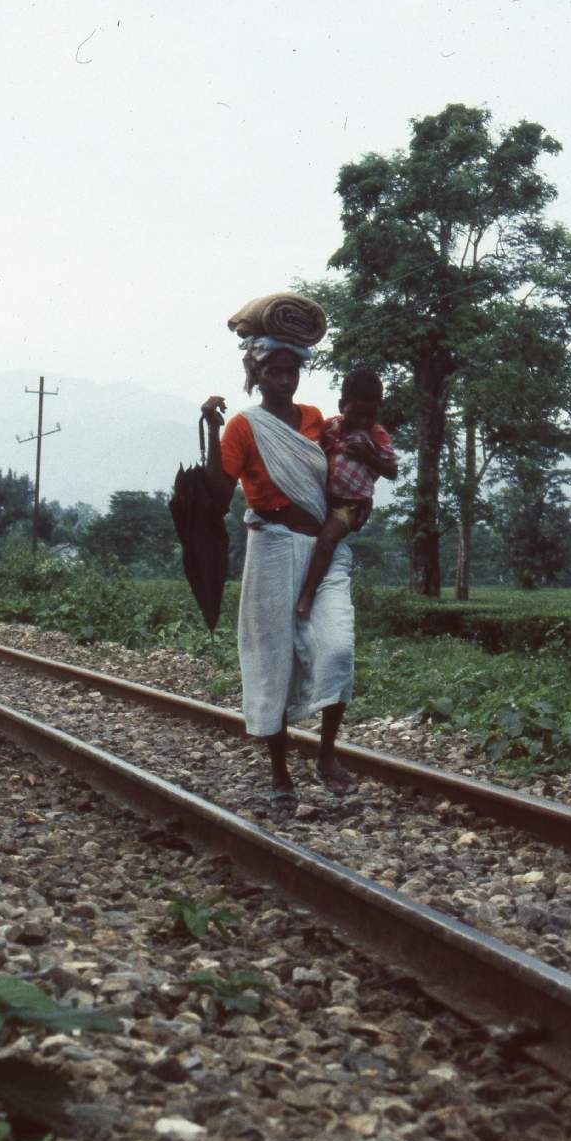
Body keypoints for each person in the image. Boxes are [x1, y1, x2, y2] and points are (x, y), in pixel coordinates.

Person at [201, 333, 356, 802]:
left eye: (292, 371)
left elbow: (350, 461)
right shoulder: (244, 428)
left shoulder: (314, 420)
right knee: (272, 661)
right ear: (256, 375)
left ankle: (326, 753)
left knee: (337, 649)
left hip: (322, 552)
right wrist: (212, 427)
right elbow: (216, 490)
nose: (285, 380)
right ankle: (280, 775)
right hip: (270, 547)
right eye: (274, 372)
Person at [296, 368, 397, 621]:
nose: (363, 419)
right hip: (322, 498)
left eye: (370, 413)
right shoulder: (330, 427)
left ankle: (308, 594)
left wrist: (368, 456)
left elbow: (392, 470)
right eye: (357, 412)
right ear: (342, 405)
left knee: (327, 540)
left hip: (350, 506)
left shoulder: (378, 436)